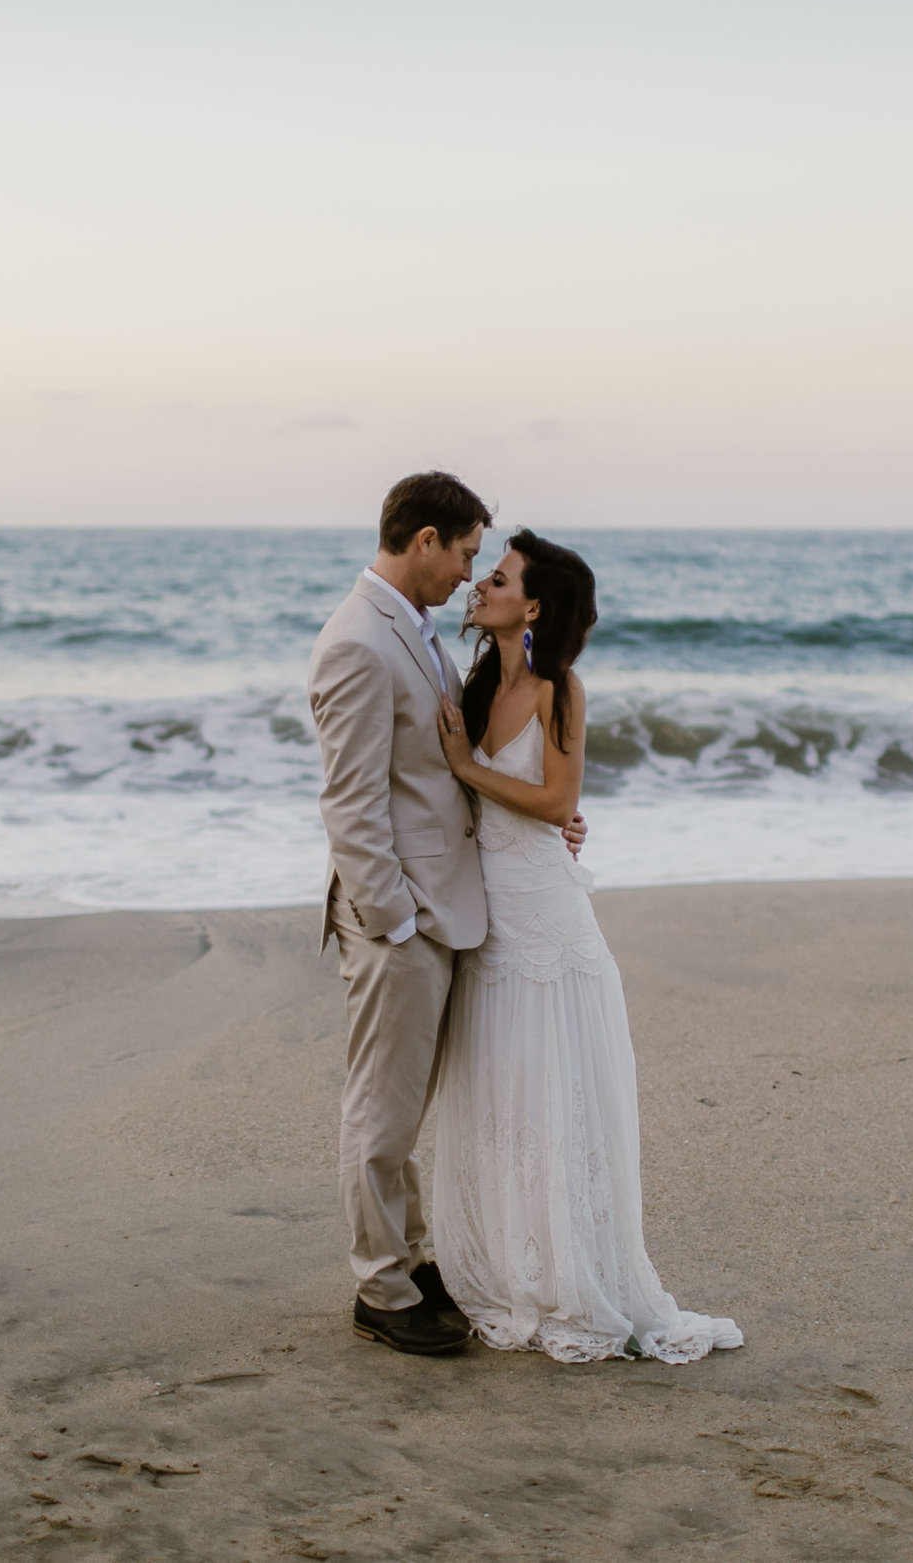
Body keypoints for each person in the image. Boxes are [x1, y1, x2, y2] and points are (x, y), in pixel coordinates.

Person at [427, 530, 743, 1363]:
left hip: (549, 928)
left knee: (554, 1110)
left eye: (499, 578)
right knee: (503, 1103)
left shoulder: (561, 687)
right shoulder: (482, 679)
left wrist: (469, 766)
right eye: (484, 573)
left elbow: (554, 794)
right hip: (490, 930)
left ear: (533, 606)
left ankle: (574, 1279)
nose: (481, 584)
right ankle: (511, 1269)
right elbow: (512, 805)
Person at [307, 472, 587, 1356]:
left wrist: (540, 813)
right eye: (468, 552)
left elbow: (435, 767)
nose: (472, 574)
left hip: (441, 906)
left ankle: (409, 1257)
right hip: (405, 917)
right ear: (424, 539)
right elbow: (351, 806)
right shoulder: (357, 640)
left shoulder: (412, 630)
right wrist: (393, 922)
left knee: (402, 1105)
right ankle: (382, 1289)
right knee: (381, 1113)